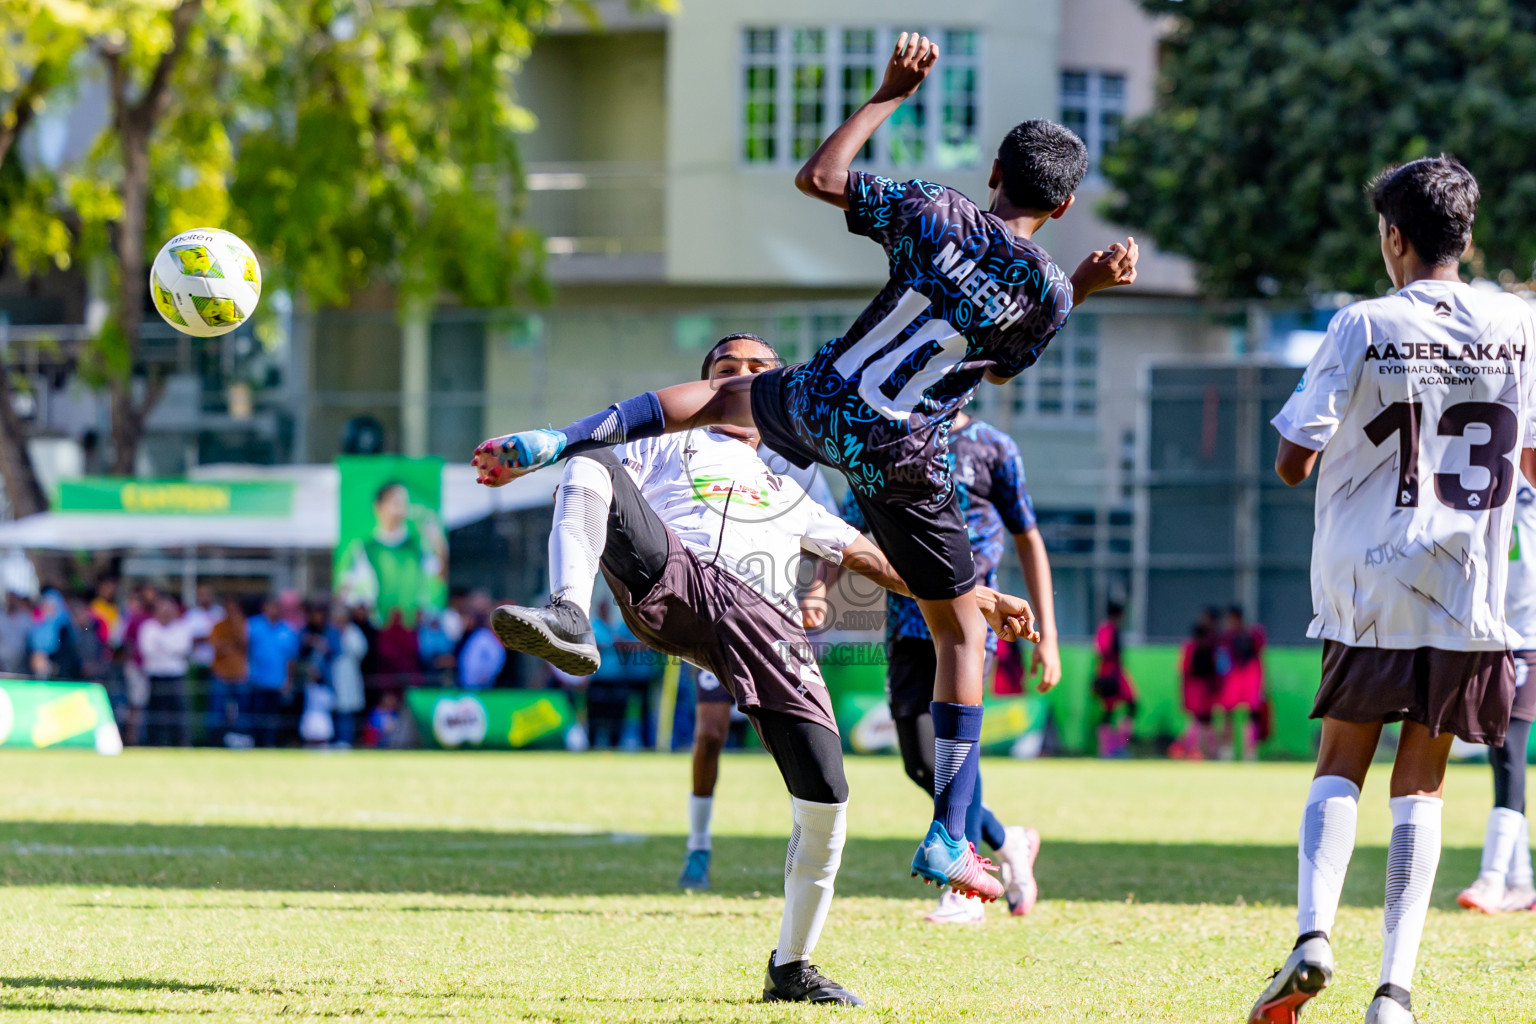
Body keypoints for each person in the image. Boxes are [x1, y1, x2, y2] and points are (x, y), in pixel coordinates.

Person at [471, 35, 1135, 897]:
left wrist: (891, 92)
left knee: (719, 400)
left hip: (825, 398)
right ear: (1066, 201)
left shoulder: (937, 209)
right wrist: (1080, 286)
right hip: (901, 451)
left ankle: (563, 441)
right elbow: (999, 365)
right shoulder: (1047, 290)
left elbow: (819, 178)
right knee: (960, 632)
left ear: (997, 169)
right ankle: (947, 833)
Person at [485, 331, 1037, 1005]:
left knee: (828, 801)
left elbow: (875, 561)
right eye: (726, 370)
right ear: (706, 388)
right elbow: (591, 442)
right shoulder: (663, 442)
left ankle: (792, 967)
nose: (741, 379)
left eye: (756, 371)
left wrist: (978, 595)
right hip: (675, 580)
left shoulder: (793, 484)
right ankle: (569, 614)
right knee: (592, 458)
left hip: (764, 626)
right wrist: (537, 449)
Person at [1250, 156, 1535, 1024]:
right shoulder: (1521, 325)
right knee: (1424, 783)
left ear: (1394, 237)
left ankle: (1310, 937)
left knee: (1342, 762)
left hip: (1369, 581)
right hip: (1475, 588)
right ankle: (1395, 992)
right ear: (1469, 236)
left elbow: (1293, 462)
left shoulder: (1360, 324)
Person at [818, 408, 1057, 923]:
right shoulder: (882, 445)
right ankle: (1006, 839)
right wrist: (817, 592)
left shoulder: (993, 446)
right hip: (907, 620)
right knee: (920, 761)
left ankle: (964, 888)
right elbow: (843, 531)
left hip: (974, 626)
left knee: (956, 755)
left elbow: (1028, 538)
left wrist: (1049, 637)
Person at [1458, 473, 1536, 914]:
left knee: (1508, 748)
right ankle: (1521, 882)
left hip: (1529, 639)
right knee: (1498, 749)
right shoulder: (1483, 464)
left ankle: (1491, 877)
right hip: (1494, 636)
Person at [137, 594, 194, 746]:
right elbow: (147, 650)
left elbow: (183, 649)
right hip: (155, 676)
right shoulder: (148, 627)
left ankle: (180, 744)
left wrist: (162, 646)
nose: (166, 611)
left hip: (176, 676)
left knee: (178, 714)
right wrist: (170, 649)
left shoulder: (182, 627)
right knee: (155, 713)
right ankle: (155, 743)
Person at [246, 596, 300, 748]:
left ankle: (270, 745)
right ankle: (255, 744)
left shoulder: (288, 630)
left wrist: (289, 681)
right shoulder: (253, 626)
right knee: (256, 717)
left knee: (274, 719)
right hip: (256, 681)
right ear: (265, 608)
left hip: (277, 683)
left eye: (277, 607)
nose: (274, 610)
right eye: (271, 607)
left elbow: (291, 659)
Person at [1216, 604, 1268, 760]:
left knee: (1252, 716)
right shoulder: (1226, 637)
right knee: (1227, 715)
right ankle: (1227, 751)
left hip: (1249, 677)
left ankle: (1250, 752)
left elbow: (1260, 658)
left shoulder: (1252, 635)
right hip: (1233, 679)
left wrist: (1263, 684)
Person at [1173, 608, 1221, 761]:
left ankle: (1202, 751)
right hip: (1197, 690)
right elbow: (1184, 672)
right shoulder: (1194, 648)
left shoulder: (1207, 647)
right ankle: (1191, 750)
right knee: (1200, 721)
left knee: (1203, 721)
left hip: (1202, 690)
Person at [1091, 603, 1137, 758]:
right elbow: (1102, 650)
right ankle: (1108, 749)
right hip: (1109, 675)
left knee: (1131, 706)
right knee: (1109, 712)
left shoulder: (1110, 629)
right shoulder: (1107, 629)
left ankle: (1118, 745)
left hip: (1114, 674)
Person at [208, 596, 250, 747]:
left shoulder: (242, 624)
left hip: (238, 674)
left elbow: (244, 644)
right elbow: (217, 647)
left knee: (242, 712)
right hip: (221, 673)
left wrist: (236, 625)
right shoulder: (218, 626)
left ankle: (241, 740)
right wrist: (231, 645)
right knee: (217, 711)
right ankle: (214, 742)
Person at [330, 603, 370, 748]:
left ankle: (345, 740)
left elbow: (360, 650)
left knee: (346, 711)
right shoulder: (332, 632)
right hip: (333, 677)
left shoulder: (353, 632)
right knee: (336, 710)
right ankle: (336, 739)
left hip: (348, 676)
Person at [0, 592, 30, 674]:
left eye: (13, 599)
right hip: (2, 662)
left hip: (20, 661)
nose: (11, 601)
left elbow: (30, 638)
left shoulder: (25, 617)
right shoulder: (1, 617)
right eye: (9, 599)